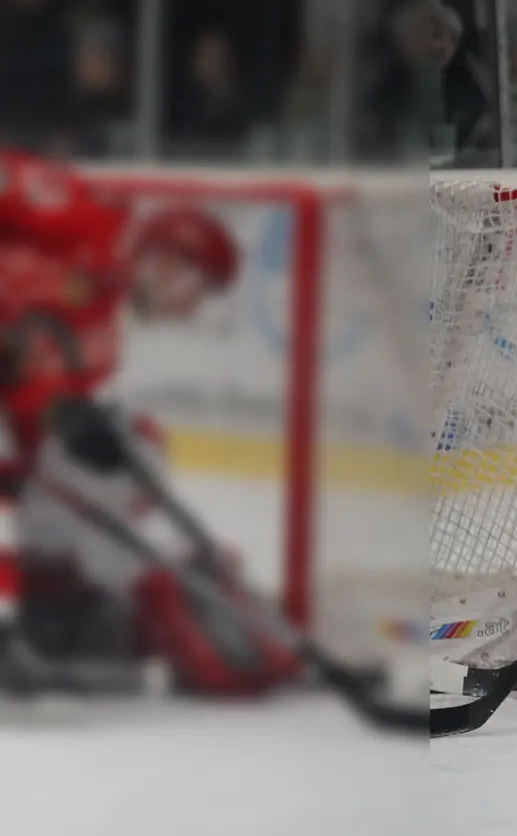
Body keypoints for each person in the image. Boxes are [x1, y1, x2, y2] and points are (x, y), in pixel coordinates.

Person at [0, 149, 297, 697]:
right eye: (195, 290)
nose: (189, 311)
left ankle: (61, 612)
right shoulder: (88, 214)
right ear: (167, 262)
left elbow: (37, 431)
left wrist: (50, 449)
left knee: (127, 452)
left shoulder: (98, 343)